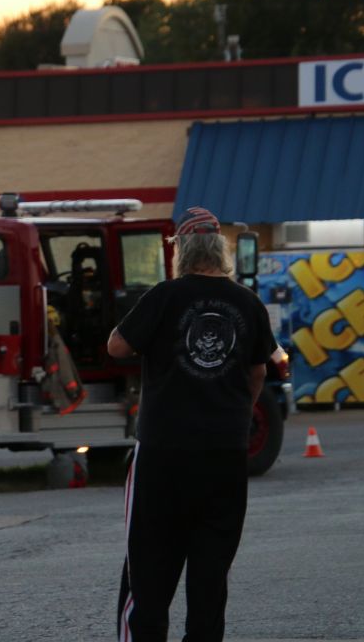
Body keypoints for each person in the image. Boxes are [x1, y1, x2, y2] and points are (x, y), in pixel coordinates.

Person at [106, 206, 275, 642]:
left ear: (180, 250)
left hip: (164, 452)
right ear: (221, 249)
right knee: (210, 576)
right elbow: (259, 372)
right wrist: (235, 413)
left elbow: (117, 347)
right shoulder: (249, 303)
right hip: (224, 455)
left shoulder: (165, 295)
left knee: (148, 572)